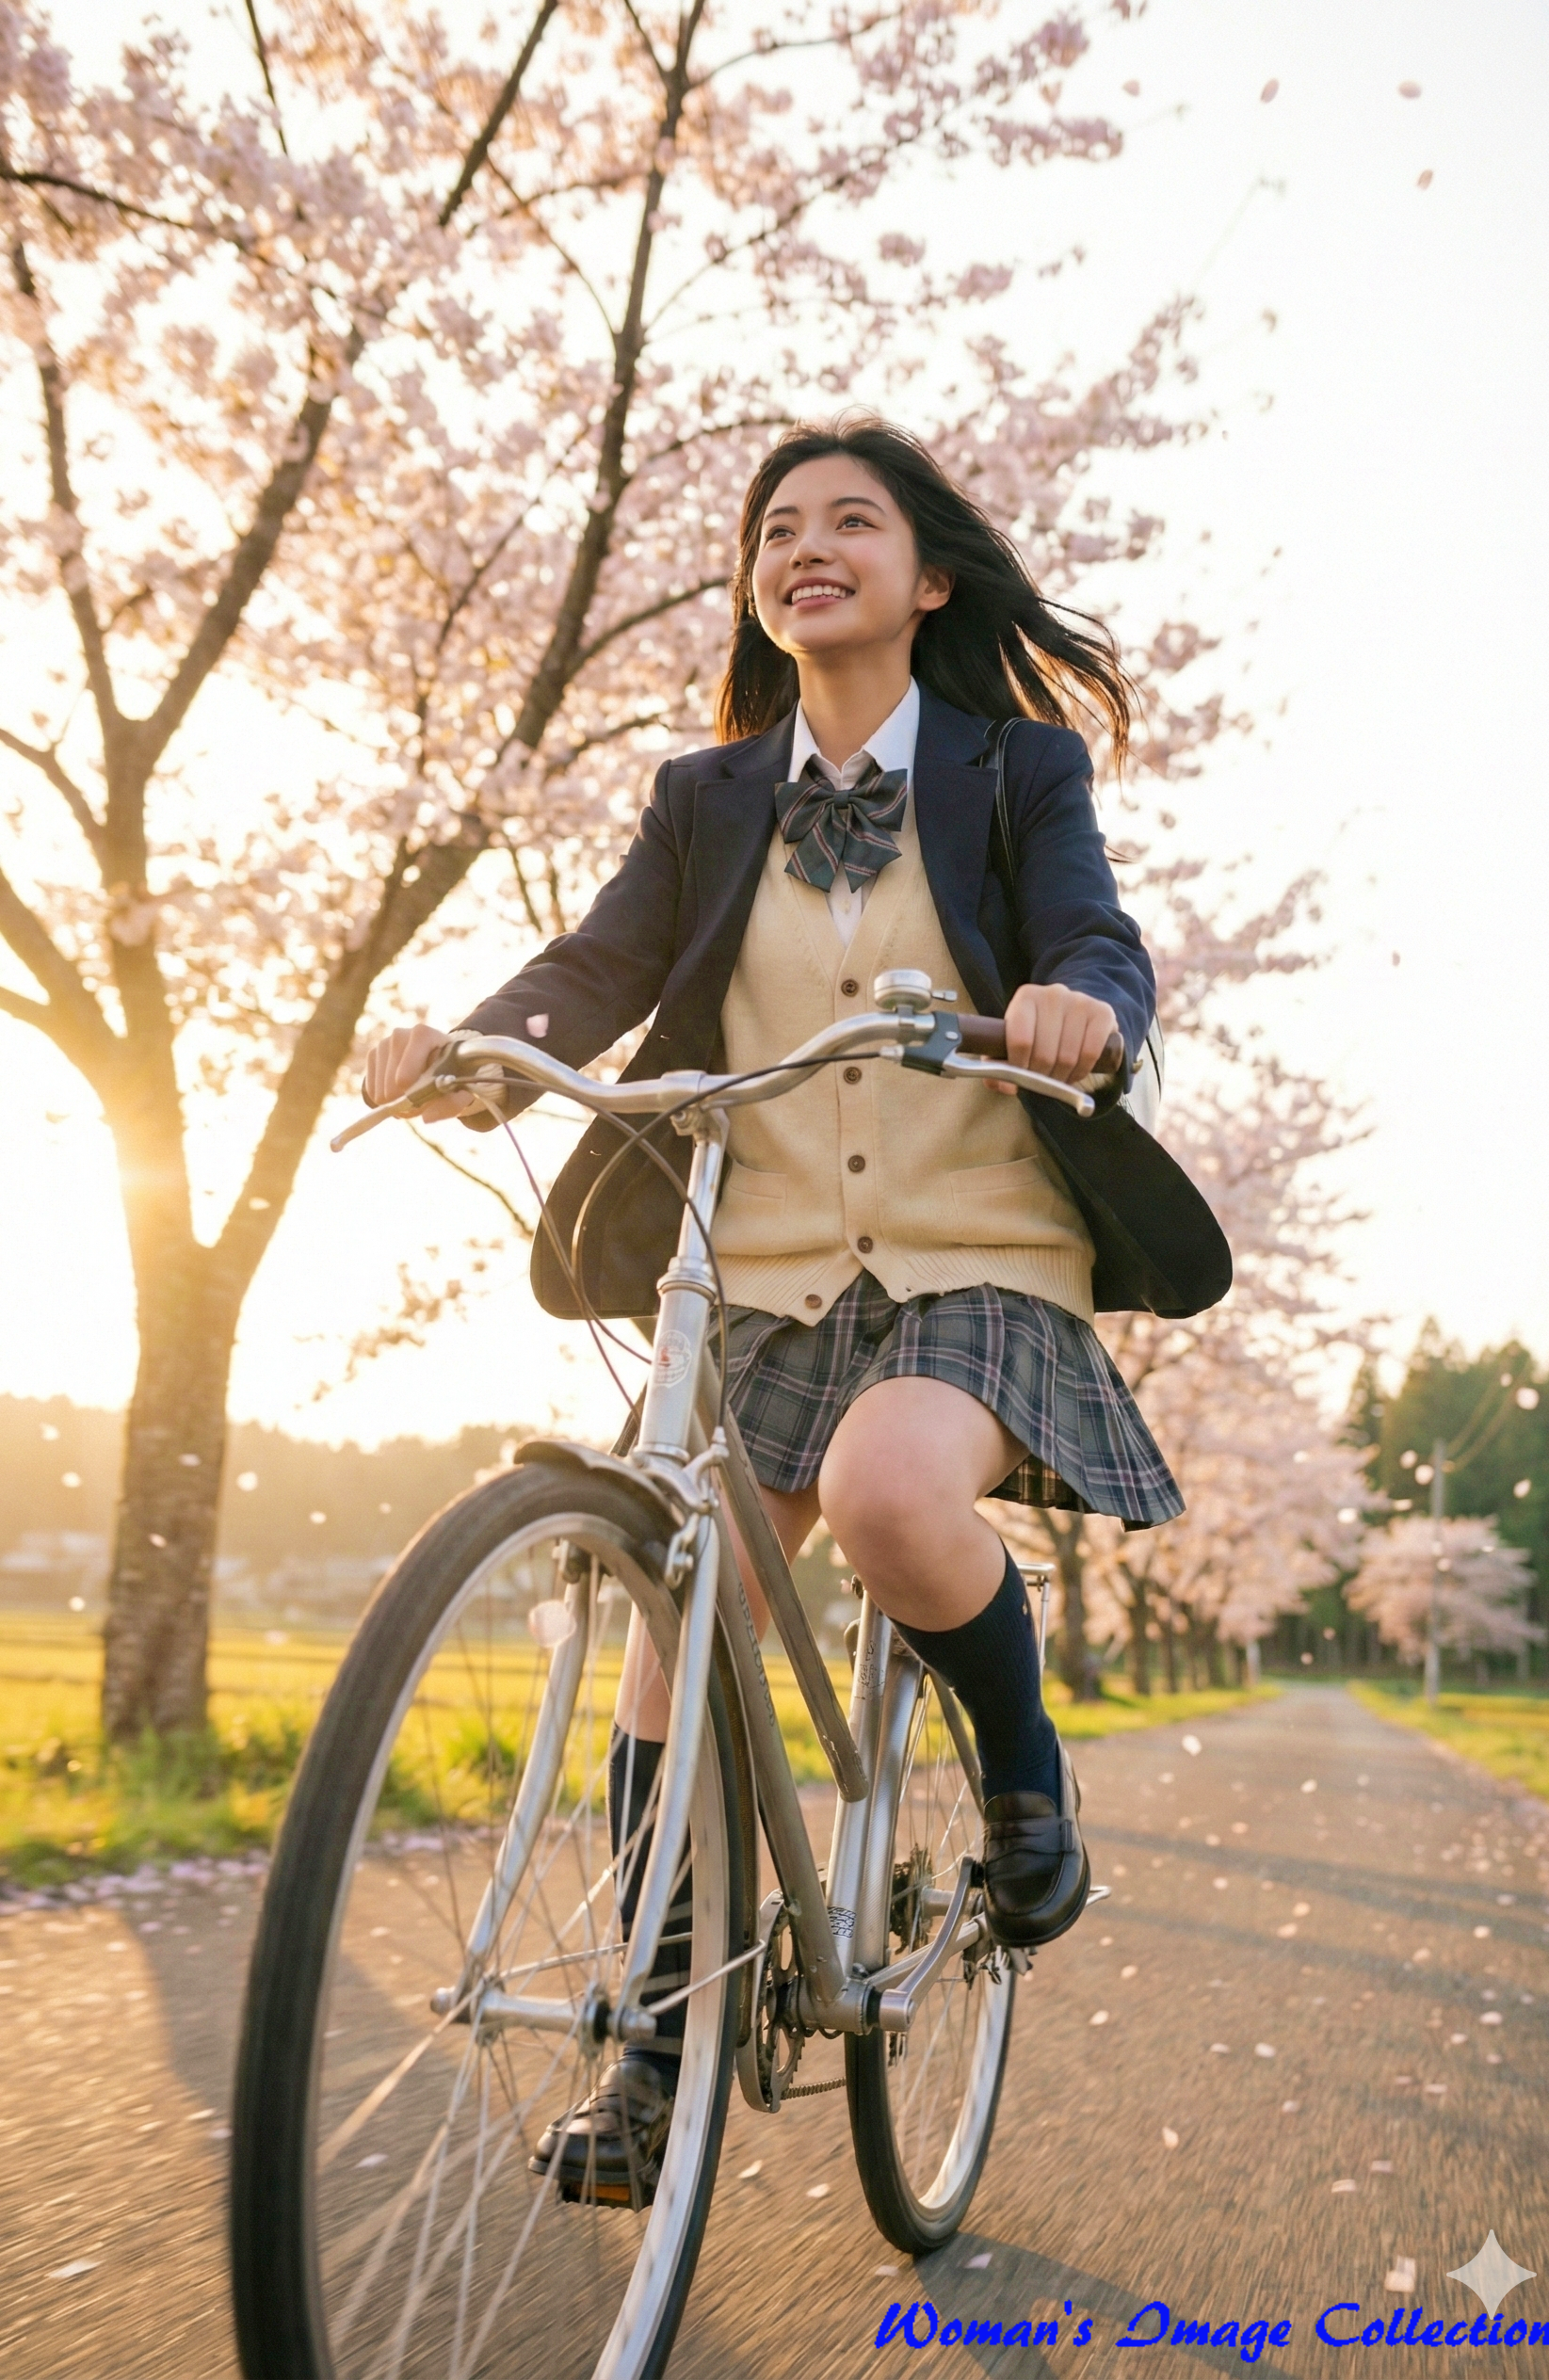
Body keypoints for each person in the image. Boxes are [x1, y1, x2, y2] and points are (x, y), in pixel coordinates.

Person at [363, 416, 1230, 2199]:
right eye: (777, 529)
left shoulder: (1016, 767)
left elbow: (1094, 934)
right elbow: (601, 961)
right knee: (673, 1616)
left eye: (853, 522)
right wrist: (487, 1049)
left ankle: (1022, 1772)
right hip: (756, 1267)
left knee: (891, 1492)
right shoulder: (706, 794)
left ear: (928, 579)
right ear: (759, 585)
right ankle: (653, 2050)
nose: (805, 546)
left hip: (975, 1247)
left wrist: (1083, 1006)